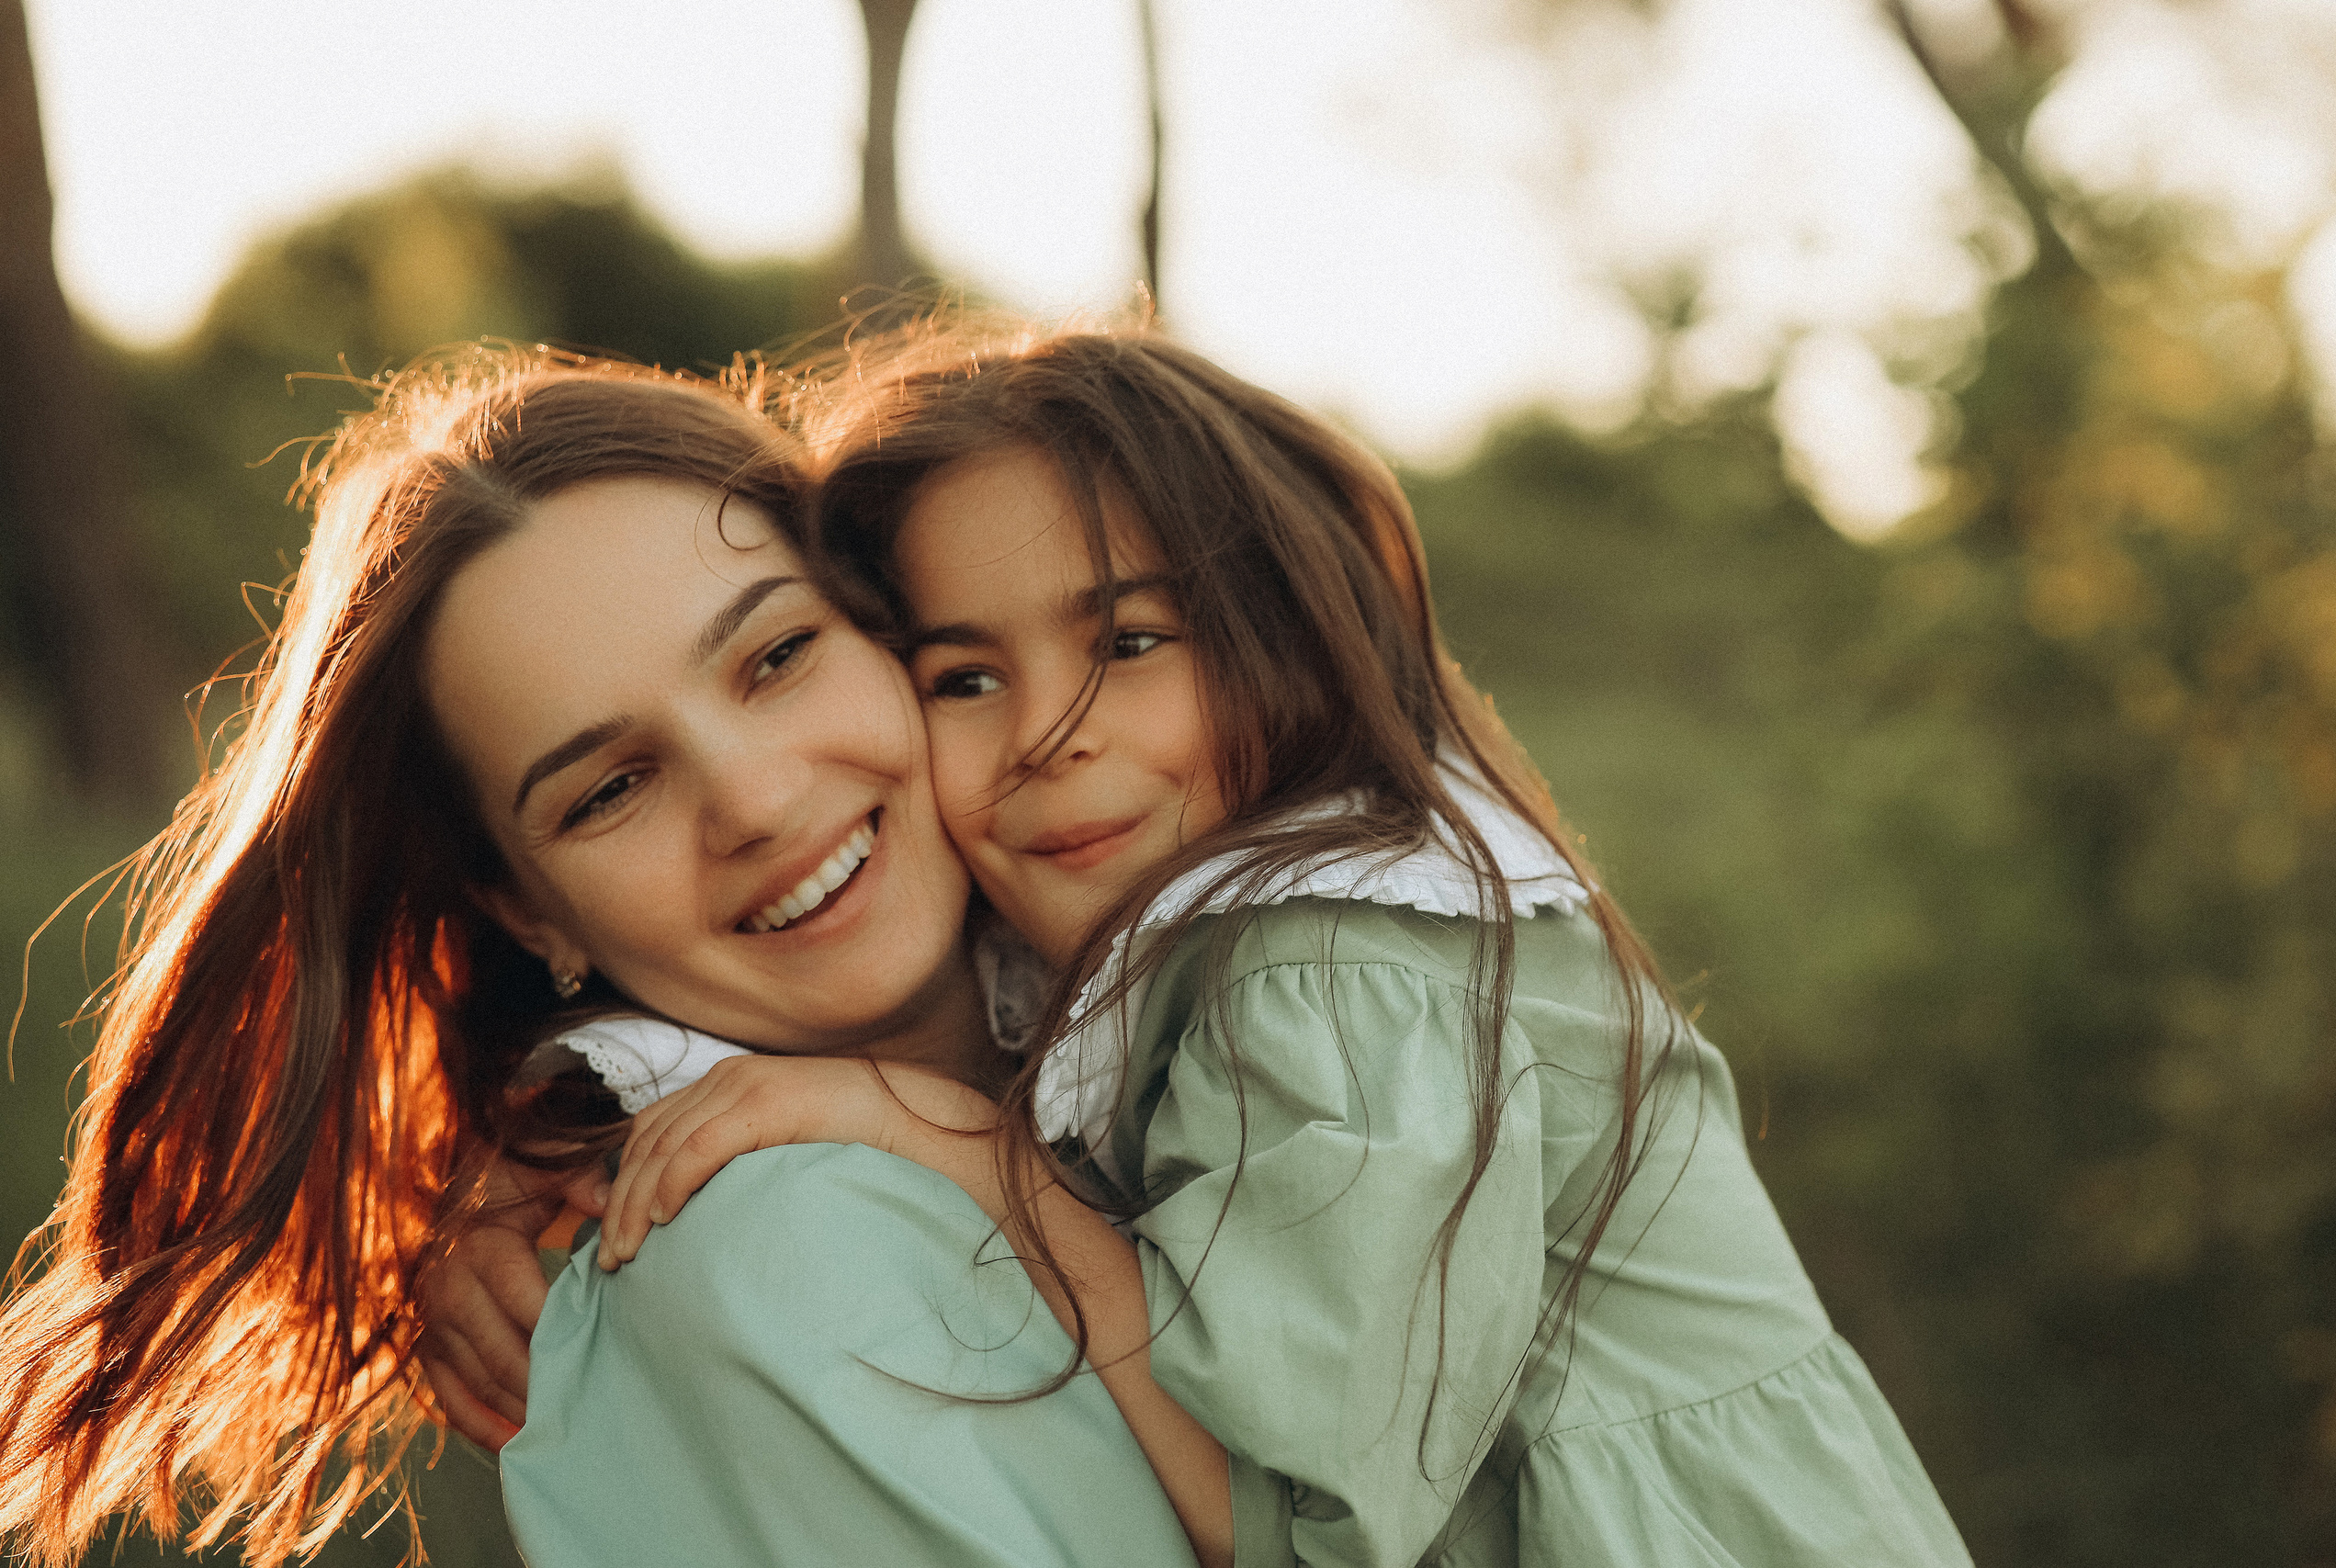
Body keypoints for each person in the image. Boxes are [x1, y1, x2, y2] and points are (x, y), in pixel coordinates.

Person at [565, 319, 1980, 1566]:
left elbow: (1295, 1523)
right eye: (966, 676)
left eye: (1128, 644)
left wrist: (943, 1143)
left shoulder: (1329, 972)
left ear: (1286, 637)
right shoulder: (1177, 949)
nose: (1052, 739)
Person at [0, 350, 1212, 1568]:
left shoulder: (1204, 953)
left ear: (889, 619)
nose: (755, 799)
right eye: (611, 789)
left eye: (777, 658)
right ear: (530, 912)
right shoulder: (778, 1248)